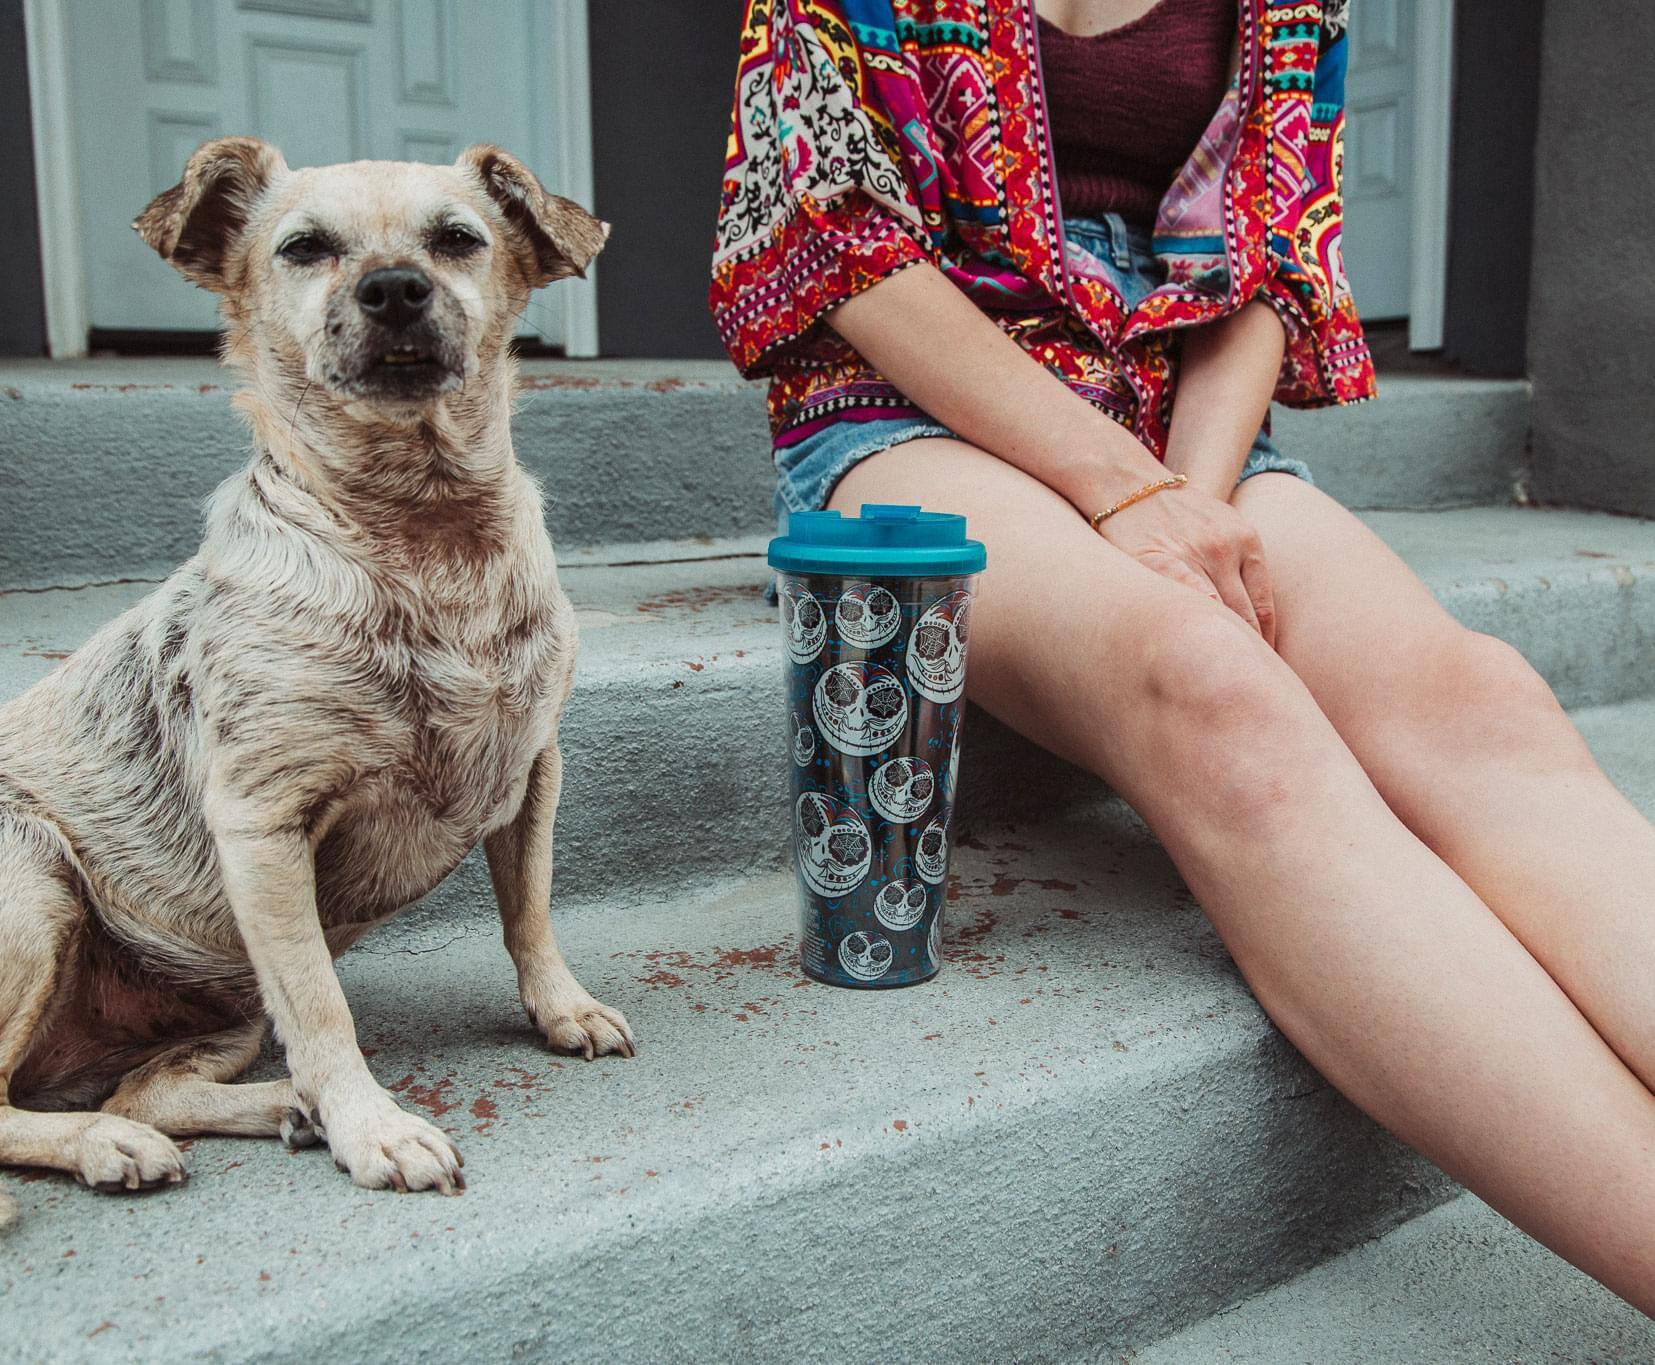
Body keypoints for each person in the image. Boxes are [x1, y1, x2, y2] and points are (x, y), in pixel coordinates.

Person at [710, 0, 1655, 1312]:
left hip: (1183, 425)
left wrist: (1180, 502)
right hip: (909, 414)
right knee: (1216, 690)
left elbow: (1265, 270)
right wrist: (1122, 498)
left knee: (1480, 697)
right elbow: (837, 241)